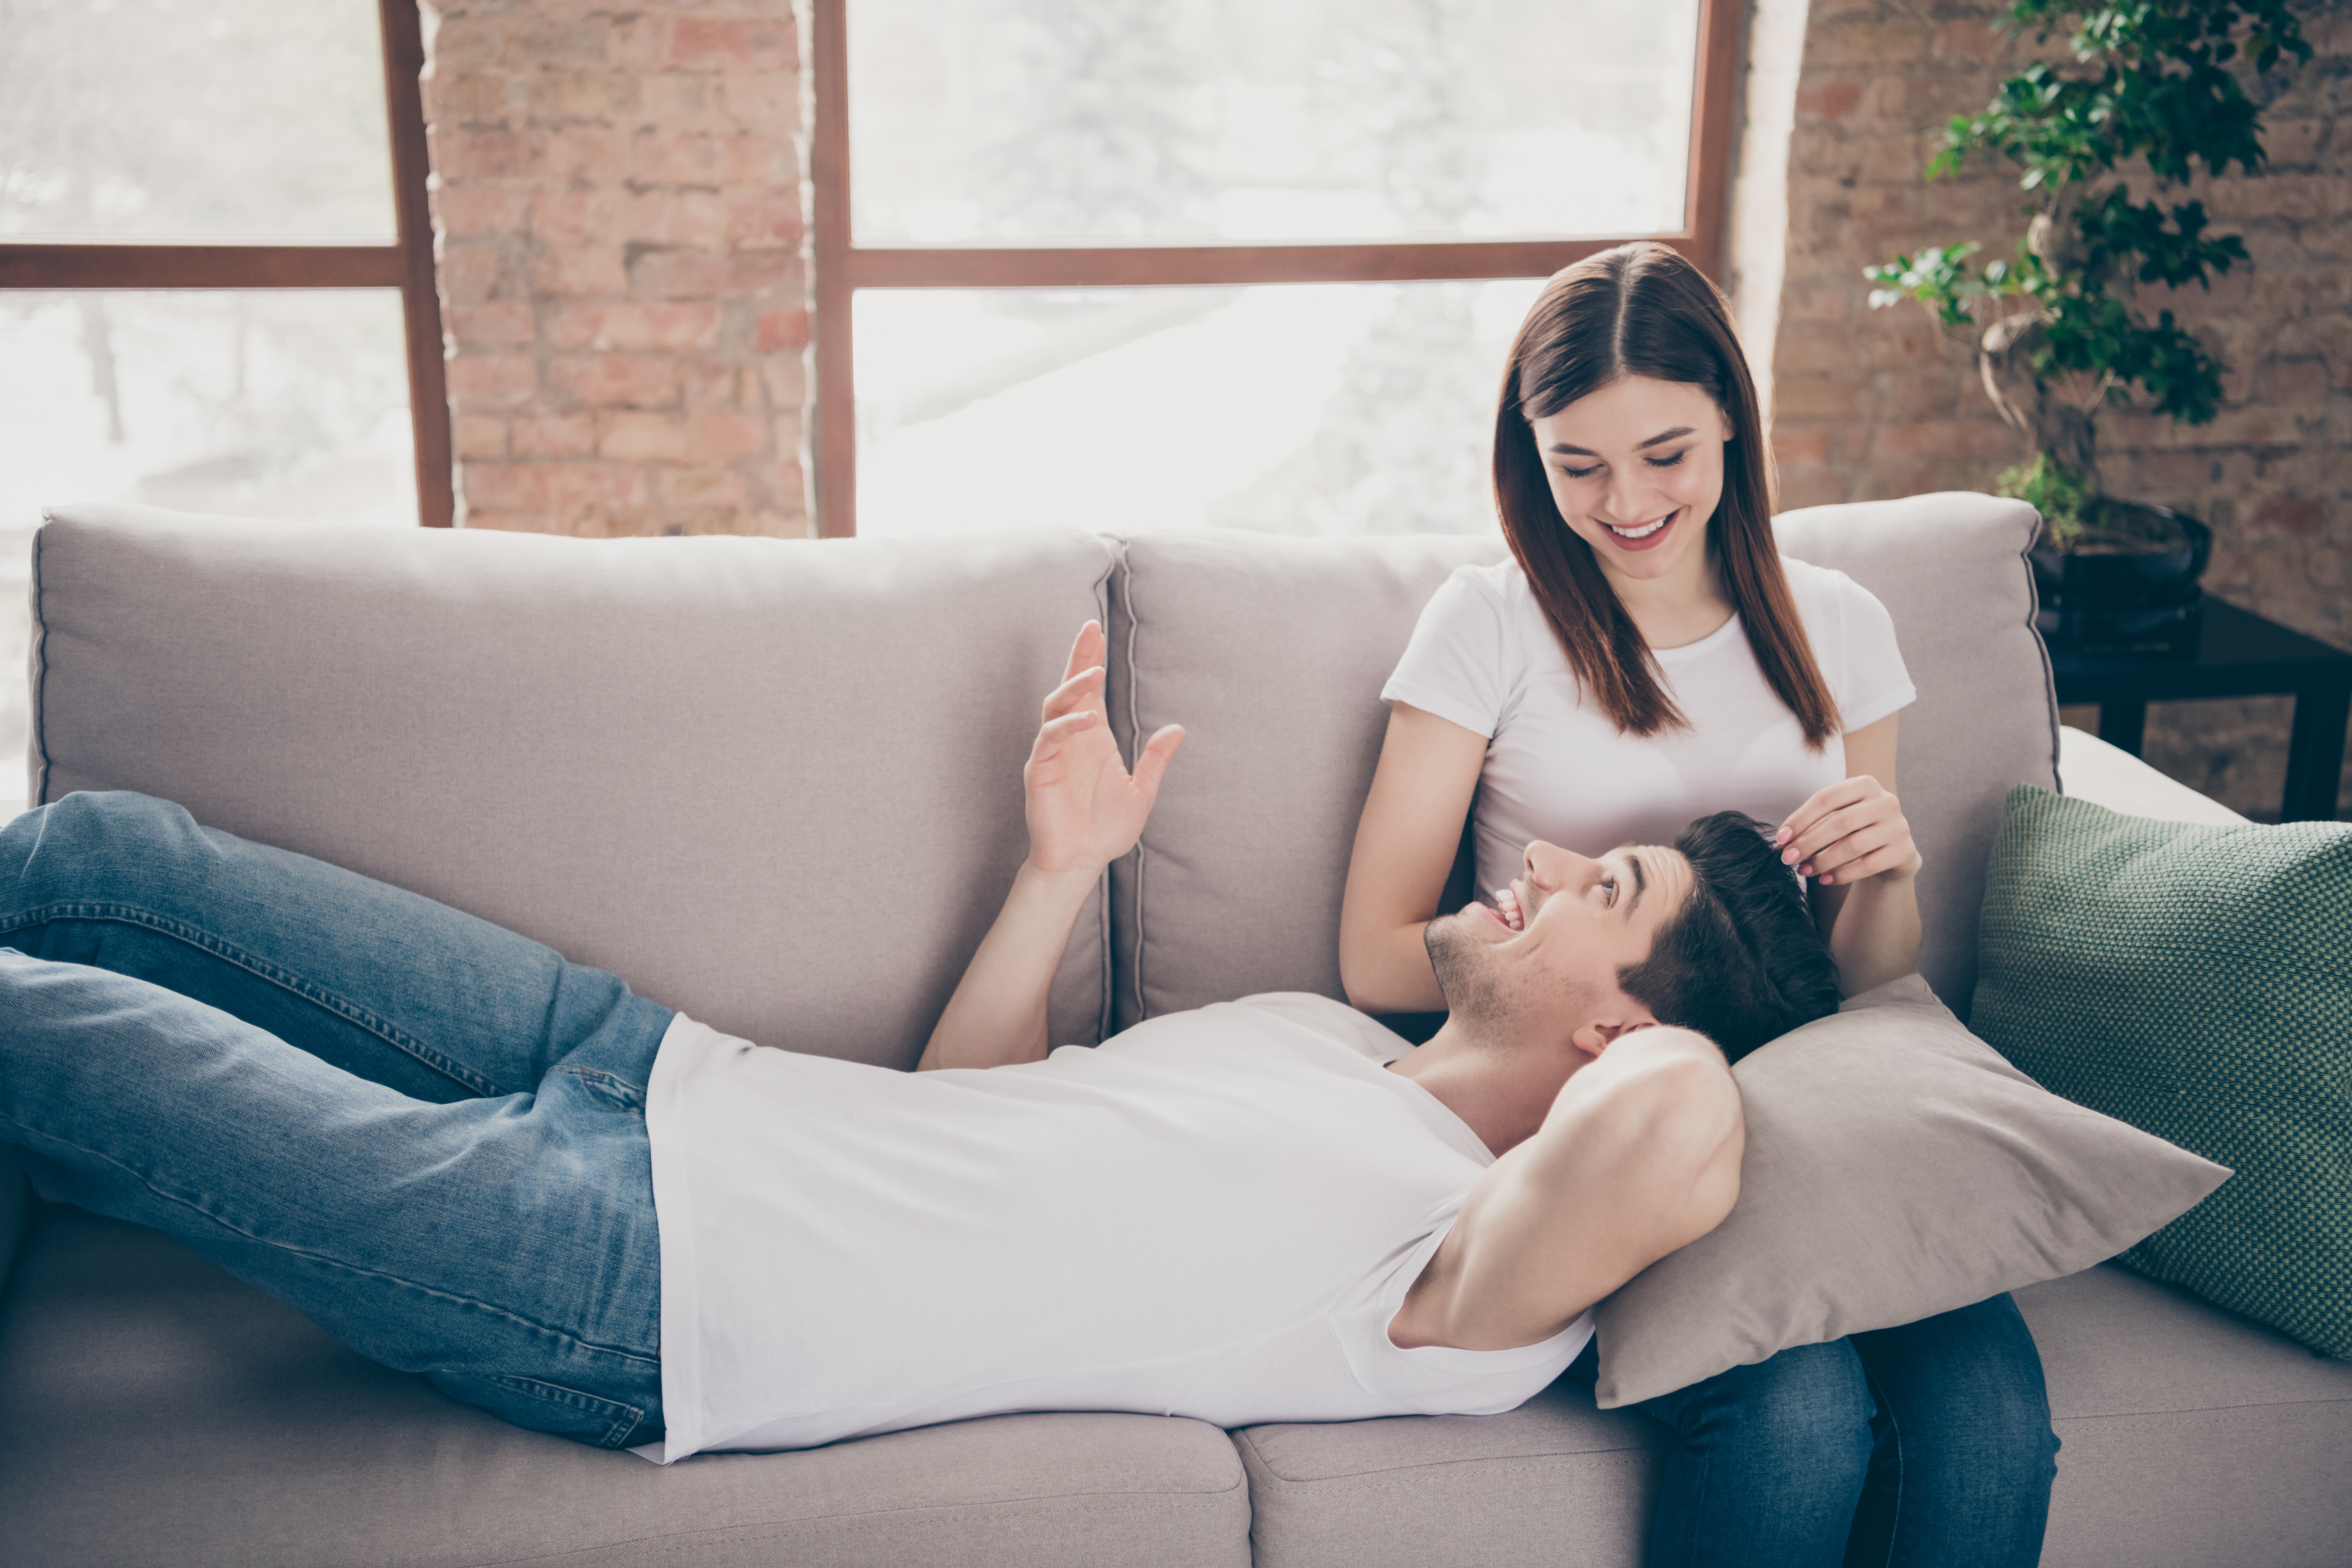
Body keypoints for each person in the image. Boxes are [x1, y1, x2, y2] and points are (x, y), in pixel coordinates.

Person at [1, 622, 1828, 1463]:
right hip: (657, 1072)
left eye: (1617, 885)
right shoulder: (1314, 1032)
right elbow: (969, 1111)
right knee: (104, 866)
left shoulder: (1470, 1281)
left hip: (628, 1285)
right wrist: (1055, 877)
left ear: (1614, 1027)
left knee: (56, 1041)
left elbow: (1683, 1127)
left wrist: (1726, 1019)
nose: (1556, 854)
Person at [1338, 241, 2057, 1567]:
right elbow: (1376, 948)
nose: (1626, 504)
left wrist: (1885, 874)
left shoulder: (1837, 623)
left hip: (1820, 1099)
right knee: (1797, 1416)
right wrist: (1577, 964)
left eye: (1666, 452)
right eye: (1579, 465)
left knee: (1992, 1419)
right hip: (1606, 1110)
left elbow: (1871, 979)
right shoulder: (1489, 622)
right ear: (1529, 451)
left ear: (1731, 407)